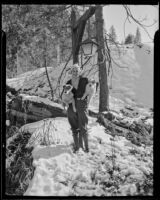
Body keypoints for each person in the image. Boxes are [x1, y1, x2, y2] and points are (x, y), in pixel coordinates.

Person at [64, 64, 89, 153]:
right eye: (73, 71)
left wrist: (87, 102)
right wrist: (67, 102)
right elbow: (65, 95)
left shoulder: (84, 80)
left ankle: (86, 148)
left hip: (82, 103)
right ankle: (77, 147)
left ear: (79, 72)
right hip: (71, 104)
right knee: (74, 126)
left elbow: (91, 90)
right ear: (71, 72)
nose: (75, 72)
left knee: (83, 125)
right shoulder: (68, 82)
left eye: (77, 71)